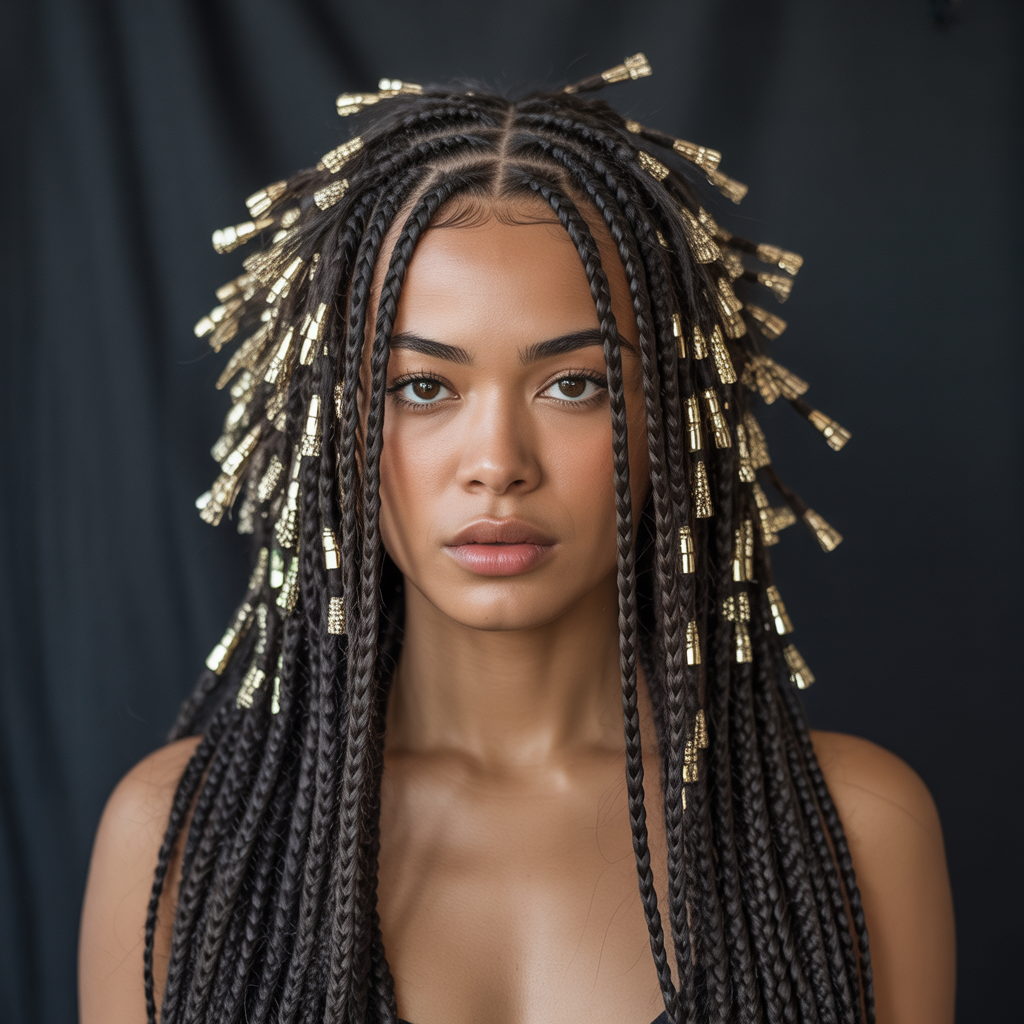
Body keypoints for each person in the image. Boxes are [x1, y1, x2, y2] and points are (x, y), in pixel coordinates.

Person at [78, 55, 955, 1024]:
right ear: (337, 431)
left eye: (572, 384)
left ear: (671, 418)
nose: (496, 461)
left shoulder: (854, 831)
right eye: (423, 387)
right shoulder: (184, 837)